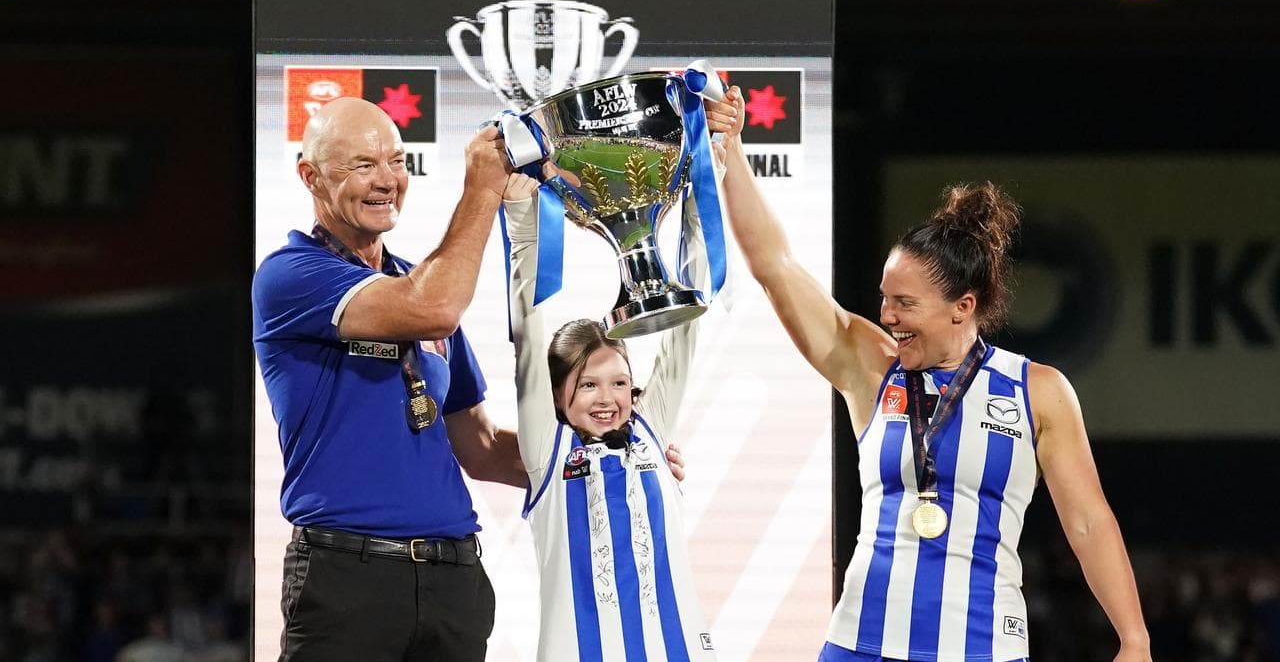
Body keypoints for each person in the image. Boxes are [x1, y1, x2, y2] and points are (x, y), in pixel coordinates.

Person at [705, 87, 1152, 662]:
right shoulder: (870, 366)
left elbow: (1088, 521)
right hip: (862, 643)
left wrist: (1134, 639)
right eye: (884, 298)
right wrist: (733, 150)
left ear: (962, 307)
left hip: (981, 647)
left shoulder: (1036, 391)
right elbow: (775, 265)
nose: (887, 316)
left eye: (905, 303)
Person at [253, 97, 685, 662]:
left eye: (397, 161)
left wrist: (611, 460)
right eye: (363, 165)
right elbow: (435, 307)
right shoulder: (292, 274)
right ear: (311, 176)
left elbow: (480, 448)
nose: (387, 180)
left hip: (453, 581)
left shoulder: (413, 280)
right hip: (349, 578)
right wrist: (483, 187)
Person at [501, 168, 717, 660]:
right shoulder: (548, 452)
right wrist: (522, 224)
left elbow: (687, 325)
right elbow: (528, 340)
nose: (608, 398)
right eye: (588, 384)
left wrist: (704, 189)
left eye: (619, 383)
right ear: (558, 397)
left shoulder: (649, 429)